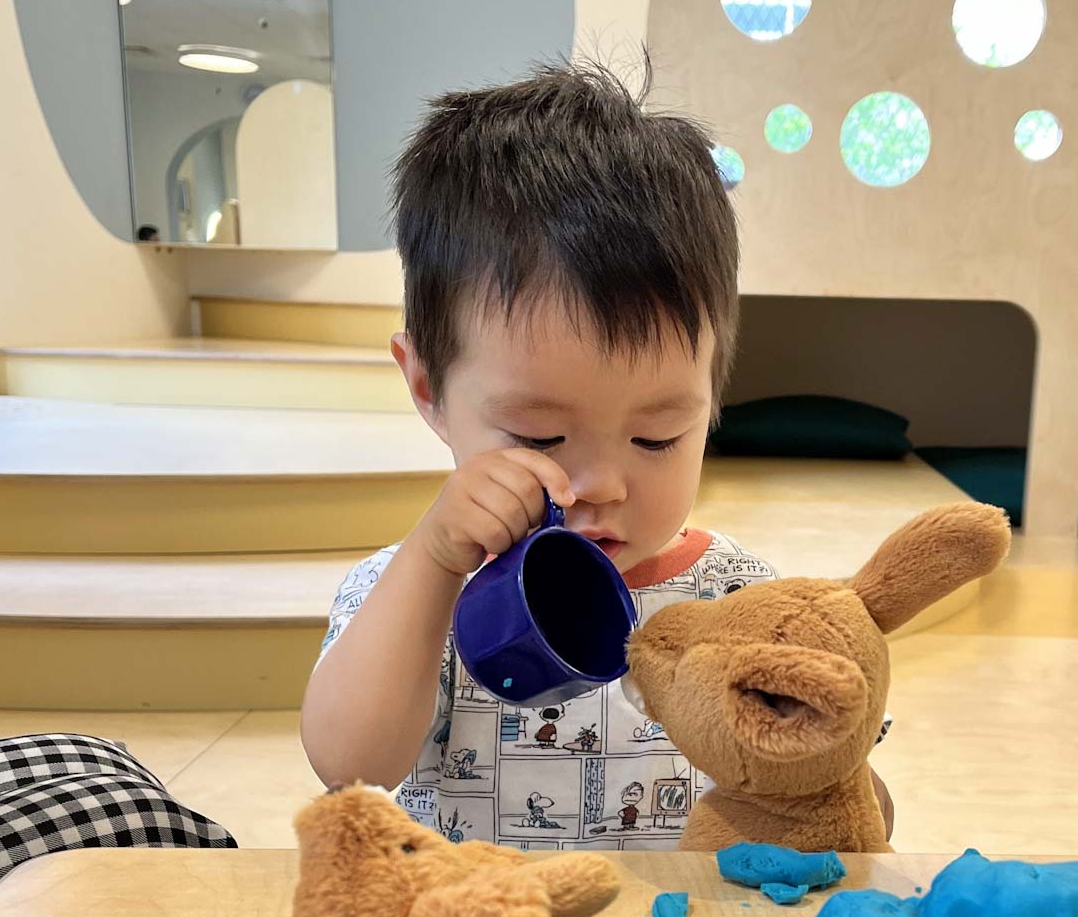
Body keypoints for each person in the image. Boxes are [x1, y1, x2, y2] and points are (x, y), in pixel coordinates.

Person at [301, 60, 893, 848]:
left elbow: (858, 813)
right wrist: (436, 563)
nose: (601, 484)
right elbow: (350, 766)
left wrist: (827, 766)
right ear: (428, 389)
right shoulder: (416, 595)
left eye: (657, 436)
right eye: (538, 436)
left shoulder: (746, 600)